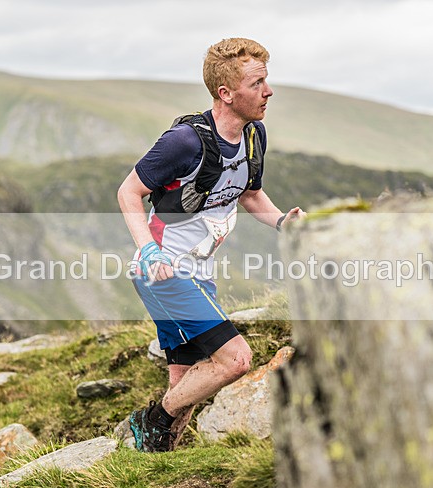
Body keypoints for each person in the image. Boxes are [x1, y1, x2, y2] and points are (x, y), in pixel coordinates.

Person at [117, 37, 305, 452]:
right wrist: (149, 252)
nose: (268, 91)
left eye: (266, 81)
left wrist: (283, 223)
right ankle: (150, 421)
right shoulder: (183, 142)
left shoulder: (254, 136)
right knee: (235, 359)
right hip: (162, 272)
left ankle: (152, 456)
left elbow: (251, 194)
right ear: (226, 93)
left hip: (200, 272)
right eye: (257, 84)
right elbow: (129, 192)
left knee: (186, 381)